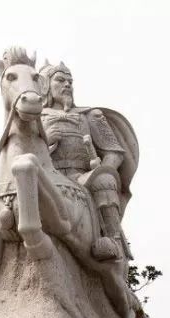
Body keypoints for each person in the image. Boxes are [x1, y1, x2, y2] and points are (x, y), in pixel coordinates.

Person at [40, 60, 136, 262]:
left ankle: (112, 241)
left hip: (80, 175)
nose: (67, 85)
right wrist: (45, 141)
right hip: (47, 174)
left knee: (104, 181)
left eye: (70, 81)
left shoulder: (90, 115)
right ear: (46, 85)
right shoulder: (35, 118)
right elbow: (23, 150)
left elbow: (115, 153)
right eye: (60, 80)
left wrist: (101, 170)